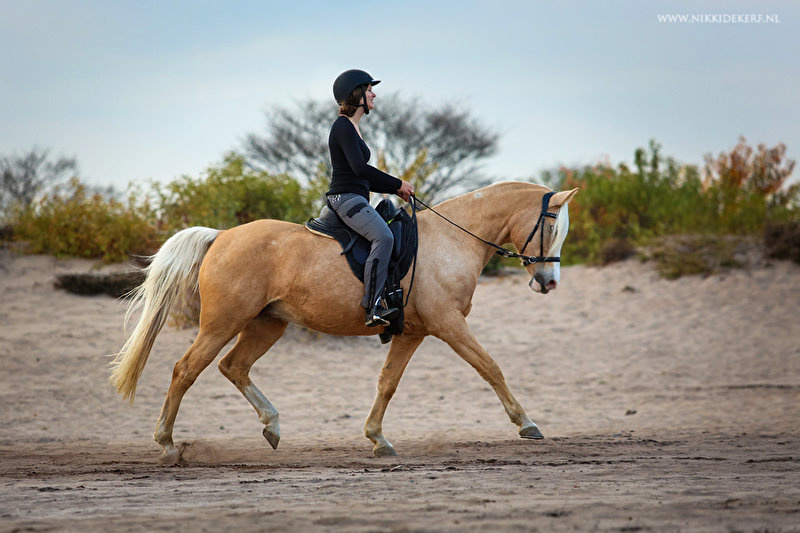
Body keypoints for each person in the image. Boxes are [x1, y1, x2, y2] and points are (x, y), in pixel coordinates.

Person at [327, 69, 415, 327]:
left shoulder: (352, 128)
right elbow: (360, 170)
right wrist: (397, 183)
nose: (373, 94)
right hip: (346, 199)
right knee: (383, 236)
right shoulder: (343, 126)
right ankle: (373, 307)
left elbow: (363, 176)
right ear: (356, 95)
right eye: (368, 90)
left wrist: (395, 189)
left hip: (356, 197)